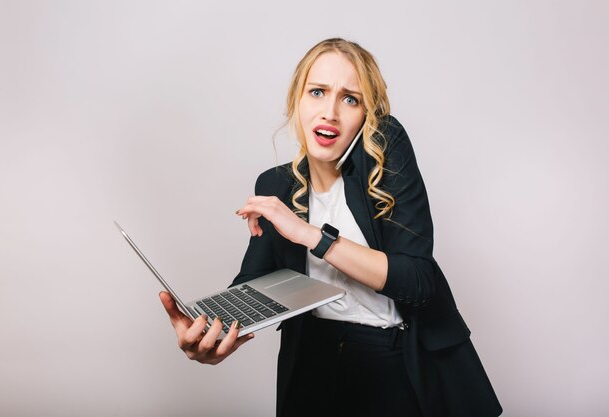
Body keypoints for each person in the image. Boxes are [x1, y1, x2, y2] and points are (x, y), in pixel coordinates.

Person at [159, 38, 502, 417]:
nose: (330, 113)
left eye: (350, 99)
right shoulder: (276, 187)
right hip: (313, 365)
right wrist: (208, 335)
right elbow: (253, 284)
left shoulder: (386, 154)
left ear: (368, 114)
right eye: (317, 92)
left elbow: (419, 281)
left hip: (397, 363)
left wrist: (309, 235)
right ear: (297, 101)